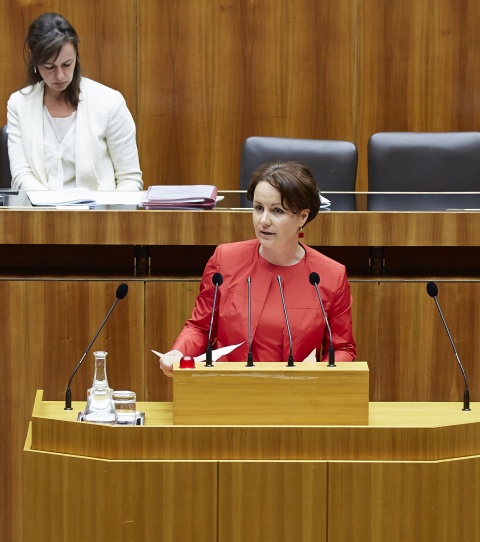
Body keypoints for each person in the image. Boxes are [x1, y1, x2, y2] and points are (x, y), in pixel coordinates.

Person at [159, 160, 356, 376]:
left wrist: (321, 378)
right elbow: (200, 327)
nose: (263, 220)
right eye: (258, 208)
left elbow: (341, 348)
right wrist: (178, 353)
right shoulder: (225, 260)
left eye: (277, 211)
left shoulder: (329, 275)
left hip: (296, 397)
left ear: (303, 216)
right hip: (226, 391)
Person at [6, 12, 143, 192]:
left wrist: (110, 217)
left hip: (98, 216)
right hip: (39, 215)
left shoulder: (110, 102)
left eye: (67, 64)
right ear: (33, 58)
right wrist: (48, 207)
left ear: (76, 55)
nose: (60, 75)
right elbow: (21, 174)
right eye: (49, 67)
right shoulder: (19, 104)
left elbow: (129, 179)